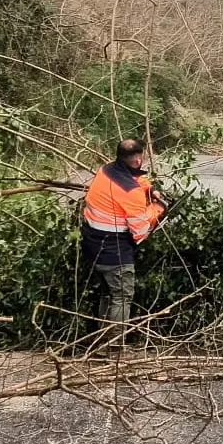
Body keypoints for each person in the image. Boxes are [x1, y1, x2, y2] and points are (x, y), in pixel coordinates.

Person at [80, 139, 167, 330]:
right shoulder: (132, 192)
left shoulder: (105, 171)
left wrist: (149, 189)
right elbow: (140, 231)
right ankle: (114, 346)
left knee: (108, 294)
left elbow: (135, 180)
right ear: (138, 159)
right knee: (121, 297)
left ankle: (102, 340)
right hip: (114, 251)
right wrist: (158, 209)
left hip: (92, 245)